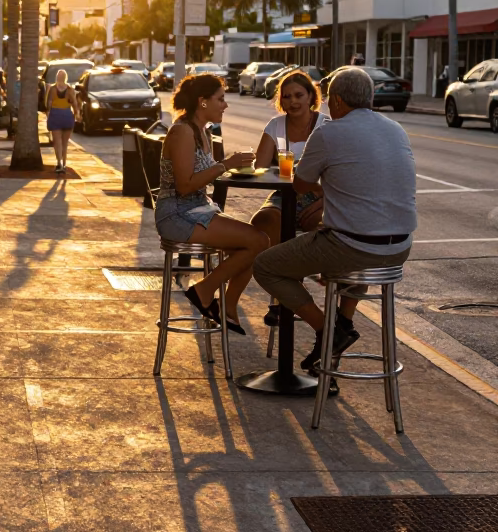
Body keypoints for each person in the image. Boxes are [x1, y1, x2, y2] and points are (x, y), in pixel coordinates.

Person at [253, 67, 417, 374]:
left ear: (338, 101)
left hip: (354, 246)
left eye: (330, 100)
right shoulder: (396, 129)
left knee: (265, 265)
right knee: (350, 255)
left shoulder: (329, 132)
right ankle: (339, 331)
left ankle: (328, 331)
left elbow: (299, 184)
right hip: (399, 249)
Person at [156, 74, 269, 333]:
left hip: (198, 208)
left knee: (257, 242)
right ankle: (206, 293)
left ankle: (224, 302)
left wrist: (231, 166)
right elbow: (185, 185)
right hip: (177, 214)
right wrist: (226, 164)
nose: (225, 105)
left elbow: (204, 175)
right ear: (202, 102)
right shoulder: (182, 131)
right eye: (220, 99)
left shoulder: (202, 131)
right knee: (258, 242)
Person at [246, 70, 329, 329]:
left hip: (319, 197)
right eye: (287, 96)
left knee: (327, 231)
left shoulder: (326, 126)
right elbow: (259, 167)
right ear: (280, 100)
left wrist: (319, 196)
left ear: (310, 97)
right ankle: (286, 295)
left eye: (299, 95)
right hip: (285, 193)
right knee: (263, 220)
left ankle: (289, 301)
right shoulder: (275, 125)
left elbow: (339, 172)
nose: (293, 101)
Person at [45, 69, 80, 174]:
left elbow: (48, 104)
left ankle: (59, 163)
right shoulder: (70, 89)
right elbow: (74, 104)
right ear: (66, 78)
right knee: (65, 143)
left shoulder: (52, 89)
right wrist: (77, 114)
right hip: (67, 116)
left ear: (57, 77)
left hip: (55, 116)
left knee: (57, 143)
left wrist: (48, 114)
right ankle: (64, 164)